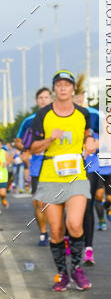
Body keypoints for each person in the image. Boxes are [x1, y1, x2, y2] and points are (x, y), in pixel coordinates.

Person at [29, 70, 95, 291]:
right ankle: (61, 273)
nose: (64, 88)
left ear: (73, 89)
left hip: (76, 175)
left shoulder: (83, 113)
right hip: (50, 176)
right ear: (54, 89)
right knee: (56, 231)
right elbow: (33, 148)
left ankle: (77, 269)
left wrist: (90, 141)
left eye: (67, 84)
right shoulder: (43, 115)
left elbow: (88, 133)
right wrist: (50, 138)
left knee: (74, 224)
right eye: (59, 85)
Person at [15, 86, 52, 245]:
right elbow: (18, 141)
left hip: (58, 165)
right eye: (41, 98)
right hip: (37, 166)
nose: (44, 100)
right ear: (37, 101)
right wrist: (26, 149)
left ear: (51, 99)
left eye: (46, 97)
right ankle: (43, 233)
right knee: (39, 202)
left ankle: (60, 232)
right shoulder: (29, 120)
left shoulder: (59, 117)